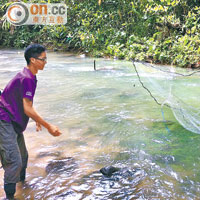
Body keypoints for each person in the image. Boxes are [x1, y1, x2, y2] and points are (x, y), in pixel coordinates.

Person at [0, 44, 62, 200]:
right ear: (33, 60)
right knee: (13, 162)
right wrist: (49, 126)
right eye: (43, 59)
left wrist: (36, 119)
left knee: (23, 157)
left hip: (13, 120)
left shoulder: (29, 76)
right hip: (4, 120)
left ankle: (22, 187)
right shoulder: (27, 78)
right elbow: (27, 108)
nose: (45, 62)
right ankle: (10, 197)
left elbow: (26, 104)